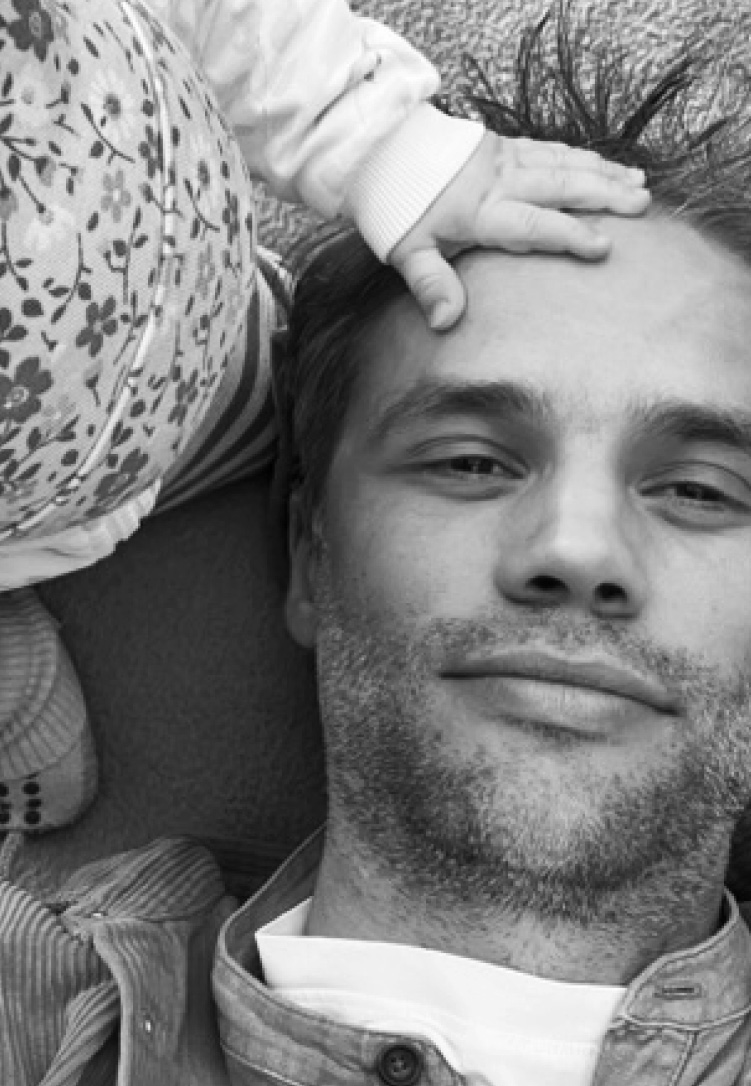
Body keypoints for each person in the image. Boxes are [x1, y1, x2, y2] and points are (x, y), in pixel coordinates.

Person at [5, 11, 751, 1086]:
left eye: (698, 490)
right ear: (309, 553)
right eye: (471, 462)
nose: (577, 552)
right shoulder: (42, 1060)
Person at [0, 0, 646, 843]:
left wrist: (383, 143)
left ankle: (271, 386)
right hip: (20, 517)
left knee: (289, 391)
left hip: (190, 311)